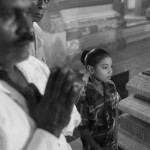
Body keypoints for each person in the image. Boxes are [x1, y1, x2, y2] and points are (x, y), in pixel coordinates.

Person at [0, 0, 80, 149]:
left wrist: (61, 106)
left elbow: (71, 122)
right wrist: (48, 130)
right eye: (9, 15)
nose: (27, 31)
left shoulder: (34, 65)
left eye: (25, 13)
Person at [77, 48, 120, 150]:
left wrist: (116, 134)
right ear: (91, 69)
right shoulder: (85, 96)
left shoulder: (111, 86)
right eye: (105, 67)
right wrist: (97, 148)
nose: (110, 71)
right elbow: (83, 129)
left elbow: (115, 109)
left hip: (110, 140)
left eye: (111, 66)